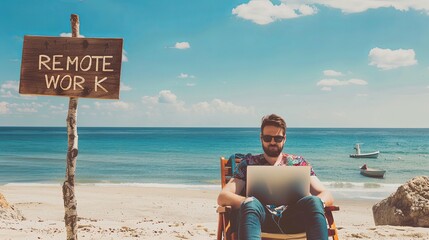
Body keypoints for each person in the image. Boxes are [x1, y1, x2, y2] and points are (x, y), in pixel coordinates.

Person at [217, 114, 334, 240]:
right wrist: (246, 201)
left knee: (315, 201)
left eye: (277, 138)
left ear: (284, 139)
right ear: (261, 138)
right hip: (260, 221)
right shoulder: (248, 163)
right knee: (251, 203)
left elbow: (326, 194)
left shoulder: (298, 163)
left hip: (294, 220)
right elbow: (223, 196)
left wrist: (318, 203)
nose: (272, 142)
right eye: (267, 138)